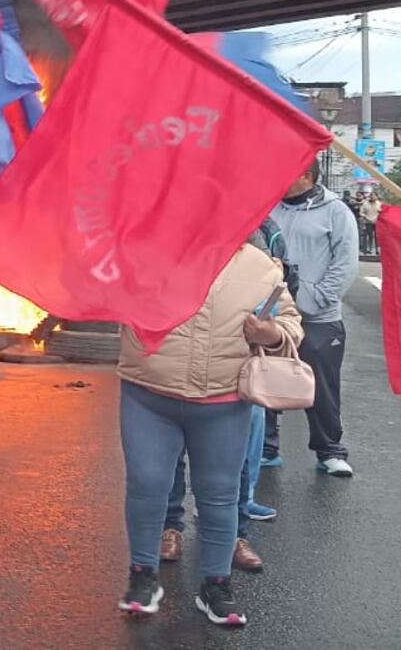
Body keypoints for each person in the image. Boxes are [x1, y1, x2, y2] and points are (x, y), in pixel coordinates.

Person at [117, 238, 302, 629]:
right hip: (149, 392)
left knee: (219, 496)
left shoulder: (261, 266)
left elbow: (290, 324)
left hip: (223, 401)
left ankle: (216, 585)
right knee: (146, 486)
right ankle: (142, 576)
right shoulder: (146, 250)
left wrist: (271, 335)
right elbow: (107, 291)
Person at [160, 219, 287, 577]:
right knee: (172, 453)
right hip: (176, 369)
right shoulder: (173, 244)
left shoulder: (259, 237)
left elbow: (284, 315)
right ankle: (170, 526)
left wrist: (272, 331)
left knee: (237, 462)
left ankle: (236, 535)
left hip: (236, 377)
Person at [265, 162, 359, 476]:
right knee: (264, 376)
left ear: (307, 176)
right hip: (272, 311)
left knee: (321, 385)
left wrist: (315, 298)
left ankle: (329, 450)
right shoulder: (268, 206)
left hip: (320, 317)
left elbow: (345, 264)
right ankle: (266, 447)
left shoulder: (336, 211)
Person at [358, 191, 383, 257]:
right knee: (369, 236)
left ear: (377, 196)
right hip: (368, 222)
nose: (372, 197)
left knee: (377, 236)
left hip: (377, 222)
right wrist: (364, 216)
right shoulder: (365, 204)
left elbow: (382, 212)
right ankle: (368, 249)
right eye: (371, 195)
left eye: (374, 195)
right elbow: (361, 212)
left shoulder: (379, 204)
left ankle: (377, 250)